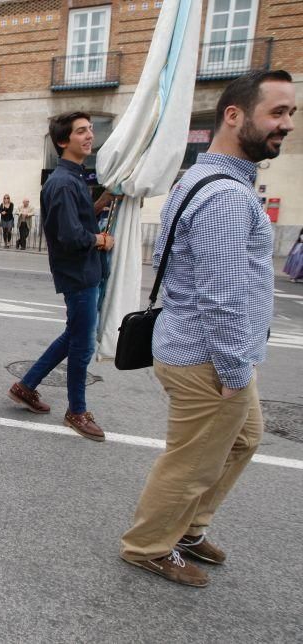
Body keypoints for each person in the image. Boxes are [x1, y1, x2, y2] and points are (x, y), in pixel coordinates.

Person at [120, 70, 296, 588]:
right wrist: (236, 368)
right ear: (234, 115)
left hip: (211, 349)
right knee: (193, 460)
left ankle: (189, 528)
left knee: (244, 439)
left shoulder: (209, 179)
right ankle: (149, 546)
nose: (286, 124)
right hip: (209, 356)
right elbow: (220, 297)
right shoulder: (226, 196)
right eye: (277, 112)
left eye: (291, 114)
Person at [7, 112, 114, 440]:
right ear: (63, 141)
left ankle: (26, 386)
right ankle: (76, 411)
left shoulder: (73, 178)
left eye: (91, 130)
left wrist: (101, 204)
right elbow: (69, 234)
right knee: (81, 346)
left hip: (84, 271)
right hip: (79, 274)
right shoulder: (64, 182)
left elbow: (77, 218)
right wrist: (100, 239)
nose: (89, 136)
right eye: (81, 131)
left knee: (73, 336)